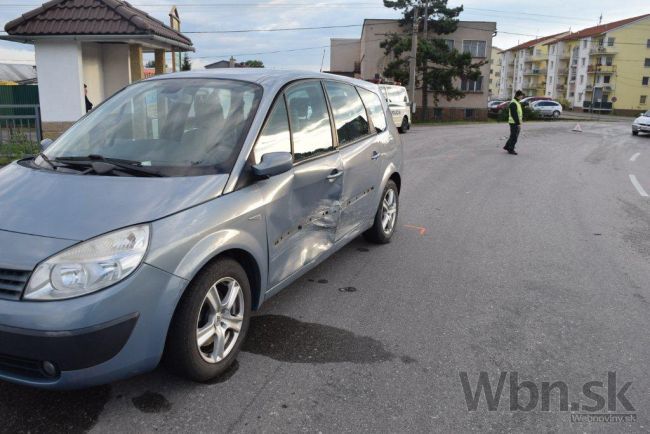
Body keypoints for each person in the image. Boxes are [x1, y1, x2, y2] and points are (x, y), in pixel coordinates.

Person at [503, 90, 524, 155]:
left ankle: (507, 146)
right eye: (521, 95)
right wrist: (518, 123)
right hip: (514, 123)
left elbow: (518, 112)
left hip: (515, 122)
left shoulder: (517, 102)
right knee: (514, 137)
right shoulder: (513, 103)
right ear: (518, 96)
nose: (522, 97)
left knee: (513, 136)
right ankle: (511, 149)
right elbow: (514, 114)